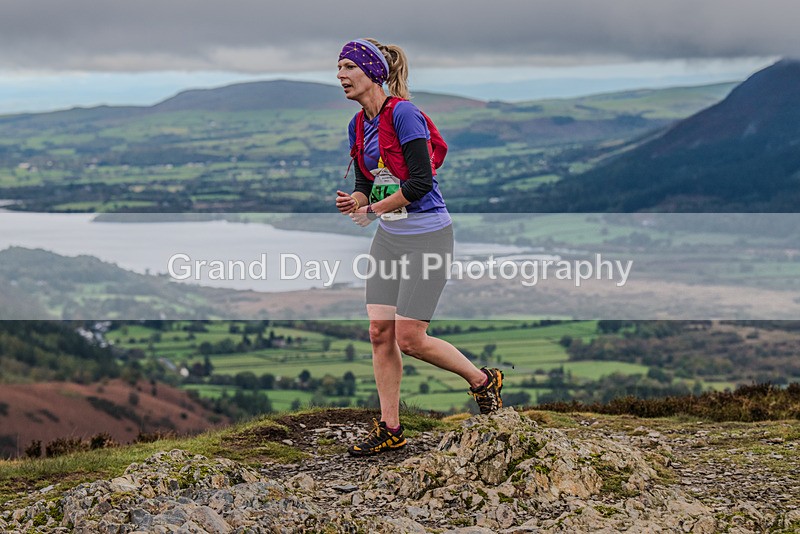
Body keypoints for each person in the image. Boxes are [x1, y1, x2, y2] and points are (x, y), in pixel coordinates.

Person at [334, 38, 504, 457]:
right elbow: (364, 182)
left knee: (410, 338)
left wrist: (372, 209)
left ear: (372, 71)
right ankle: (391, 427)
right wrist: (355, 201)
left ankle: (483, 381)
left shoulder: (405, 114)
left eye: (347, 67)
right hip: (390, 238)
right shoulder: (358, 125)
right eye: (337, 69)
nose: (339, 76)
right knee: (379, 332)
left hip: (429, 236)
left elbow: (420, 183)